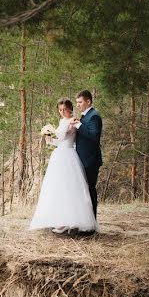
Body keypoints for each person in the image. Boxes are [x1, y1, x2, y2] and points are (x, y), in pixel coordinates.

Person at [29, 98, 98, 234]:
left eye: (65, 109)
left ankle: (71, 221)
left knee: (69, 188)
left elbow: (62, 136)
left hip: (68, 157)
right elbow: (60, 141)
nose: (62, 112)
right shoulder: (63, 121)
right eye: (60, 110)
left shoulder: (72, 121)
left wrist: (50, 130)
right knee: (59, 188)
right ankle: (62, 219)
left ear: (70, 109)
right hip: (60, 154)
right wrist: (49, 140)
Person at [71, 90, 103, 224]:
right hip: (82, 160)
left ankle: (92, 224)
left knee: (90, 191)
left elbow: (94, 136)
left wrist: (78, 125)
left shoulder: (94, 116)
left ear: (88, 102)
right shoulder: (85, 116)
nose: (77, 105)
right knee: (83, 193)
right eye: (77, 102)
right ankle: (85, 222)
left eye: (80, 102)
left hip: (90, 161)